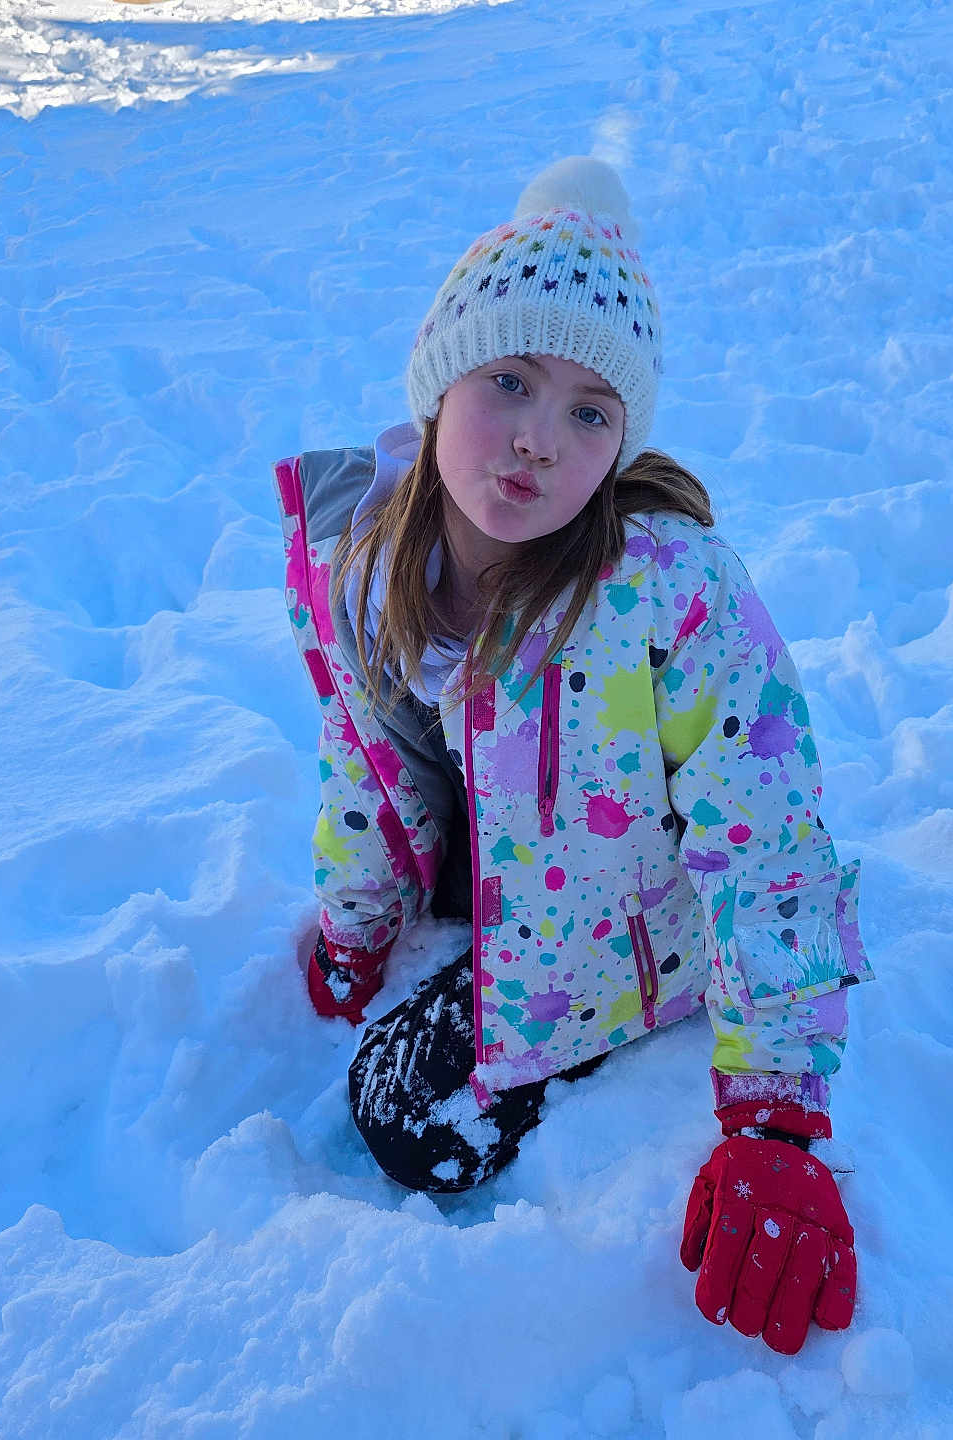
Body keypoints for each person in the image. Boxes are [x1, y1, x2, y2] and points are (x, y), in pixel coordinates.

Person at [271, 157, 873, 1355]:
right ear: (442, 380)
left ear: (621, 442)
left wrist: (776, 1119)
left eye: (590, 411)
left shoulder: (671, 597)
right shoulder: (367, 569)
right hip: (490, 882)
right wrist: (357, 917)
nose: (537, 442)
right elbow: (364, 762)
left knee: (400, 1119)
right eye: (511, 381)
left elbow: (771, 841)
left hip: (627, 933)